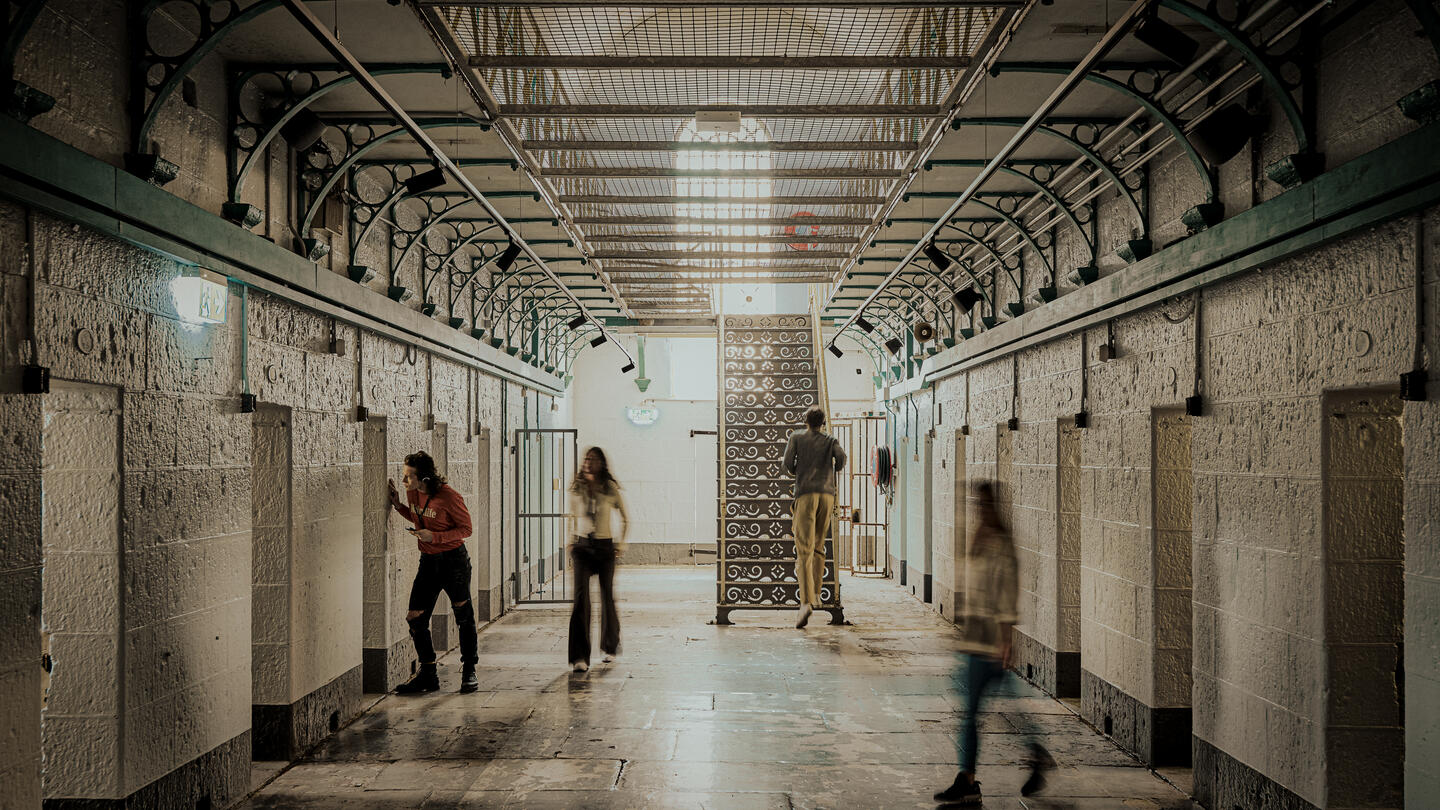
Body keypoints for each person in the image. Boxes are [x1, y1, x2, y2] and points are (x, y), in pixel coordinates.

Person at [935, 480, 1052, 805]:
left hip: (991, 644)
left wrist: (1006, 640)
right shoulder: (977, 540)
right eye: (977, 505)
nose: (980, 510)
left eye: (985, 505)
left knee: (976, 712)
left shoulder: (1002, 546)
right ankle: (1031, 755)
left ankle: (970, 779)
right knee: (983, 711)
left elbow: (1007, 596)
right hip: (974, 639)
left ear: (994, 507)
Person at [387, 451, 479, 695]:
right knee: (415, 617)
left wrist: (435, 537)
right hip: (428, 561)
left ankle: (469, 669)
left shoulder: (449, 497)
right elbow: (419, 517)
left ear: (424, 478)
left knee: (463, 614)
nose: (405, 481)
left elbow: (466, 529)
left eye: (409, 477)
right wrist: (398, 506)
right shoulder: (412, 493)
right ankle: (428, 674)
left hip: (453, 561)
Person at [781, 405, 846, 629]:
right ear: (823, 422)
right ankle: (817, 593)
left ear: (805, 420)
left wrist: (800, 468)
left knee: (804, 549)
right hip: (827, 495)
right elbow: (842, 459)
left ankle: (806, 602)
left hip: (806, 494)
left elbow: (788, 464)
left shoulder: (796, 437)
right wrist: (828, 466)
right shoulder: (830, 439)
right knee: (819, 547)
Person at [567, 447, 629, 672]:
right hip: (583, 547)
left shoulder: (609, 488)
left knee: (607, 597)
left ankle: (609, 647)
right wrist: (571, 540)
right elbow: (572, 517)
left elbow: (625, 518)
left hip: (604, 548)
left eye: (593, 459)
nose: (588, 462)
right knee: (581, 600)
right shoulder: (577, 488)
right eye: (586, 458)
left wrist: (620, 545)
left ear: (602, 463)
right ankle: (579, 657)